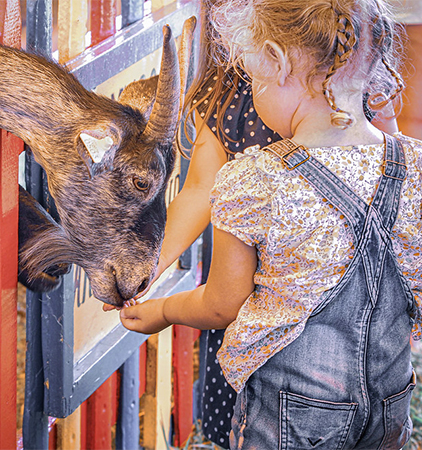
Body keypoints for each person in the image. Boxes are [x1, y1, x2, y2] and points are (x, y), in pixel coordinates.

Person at [117, 0, 422, 447]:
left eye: (255, 72)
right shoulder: (413, 163)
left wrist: (164, 310)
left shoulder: (253, 179)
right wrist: (146, 266)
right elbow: (200, 187)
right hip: (388, 395)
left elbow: (224, 303)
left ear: (274, 62)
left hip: (287, 401)